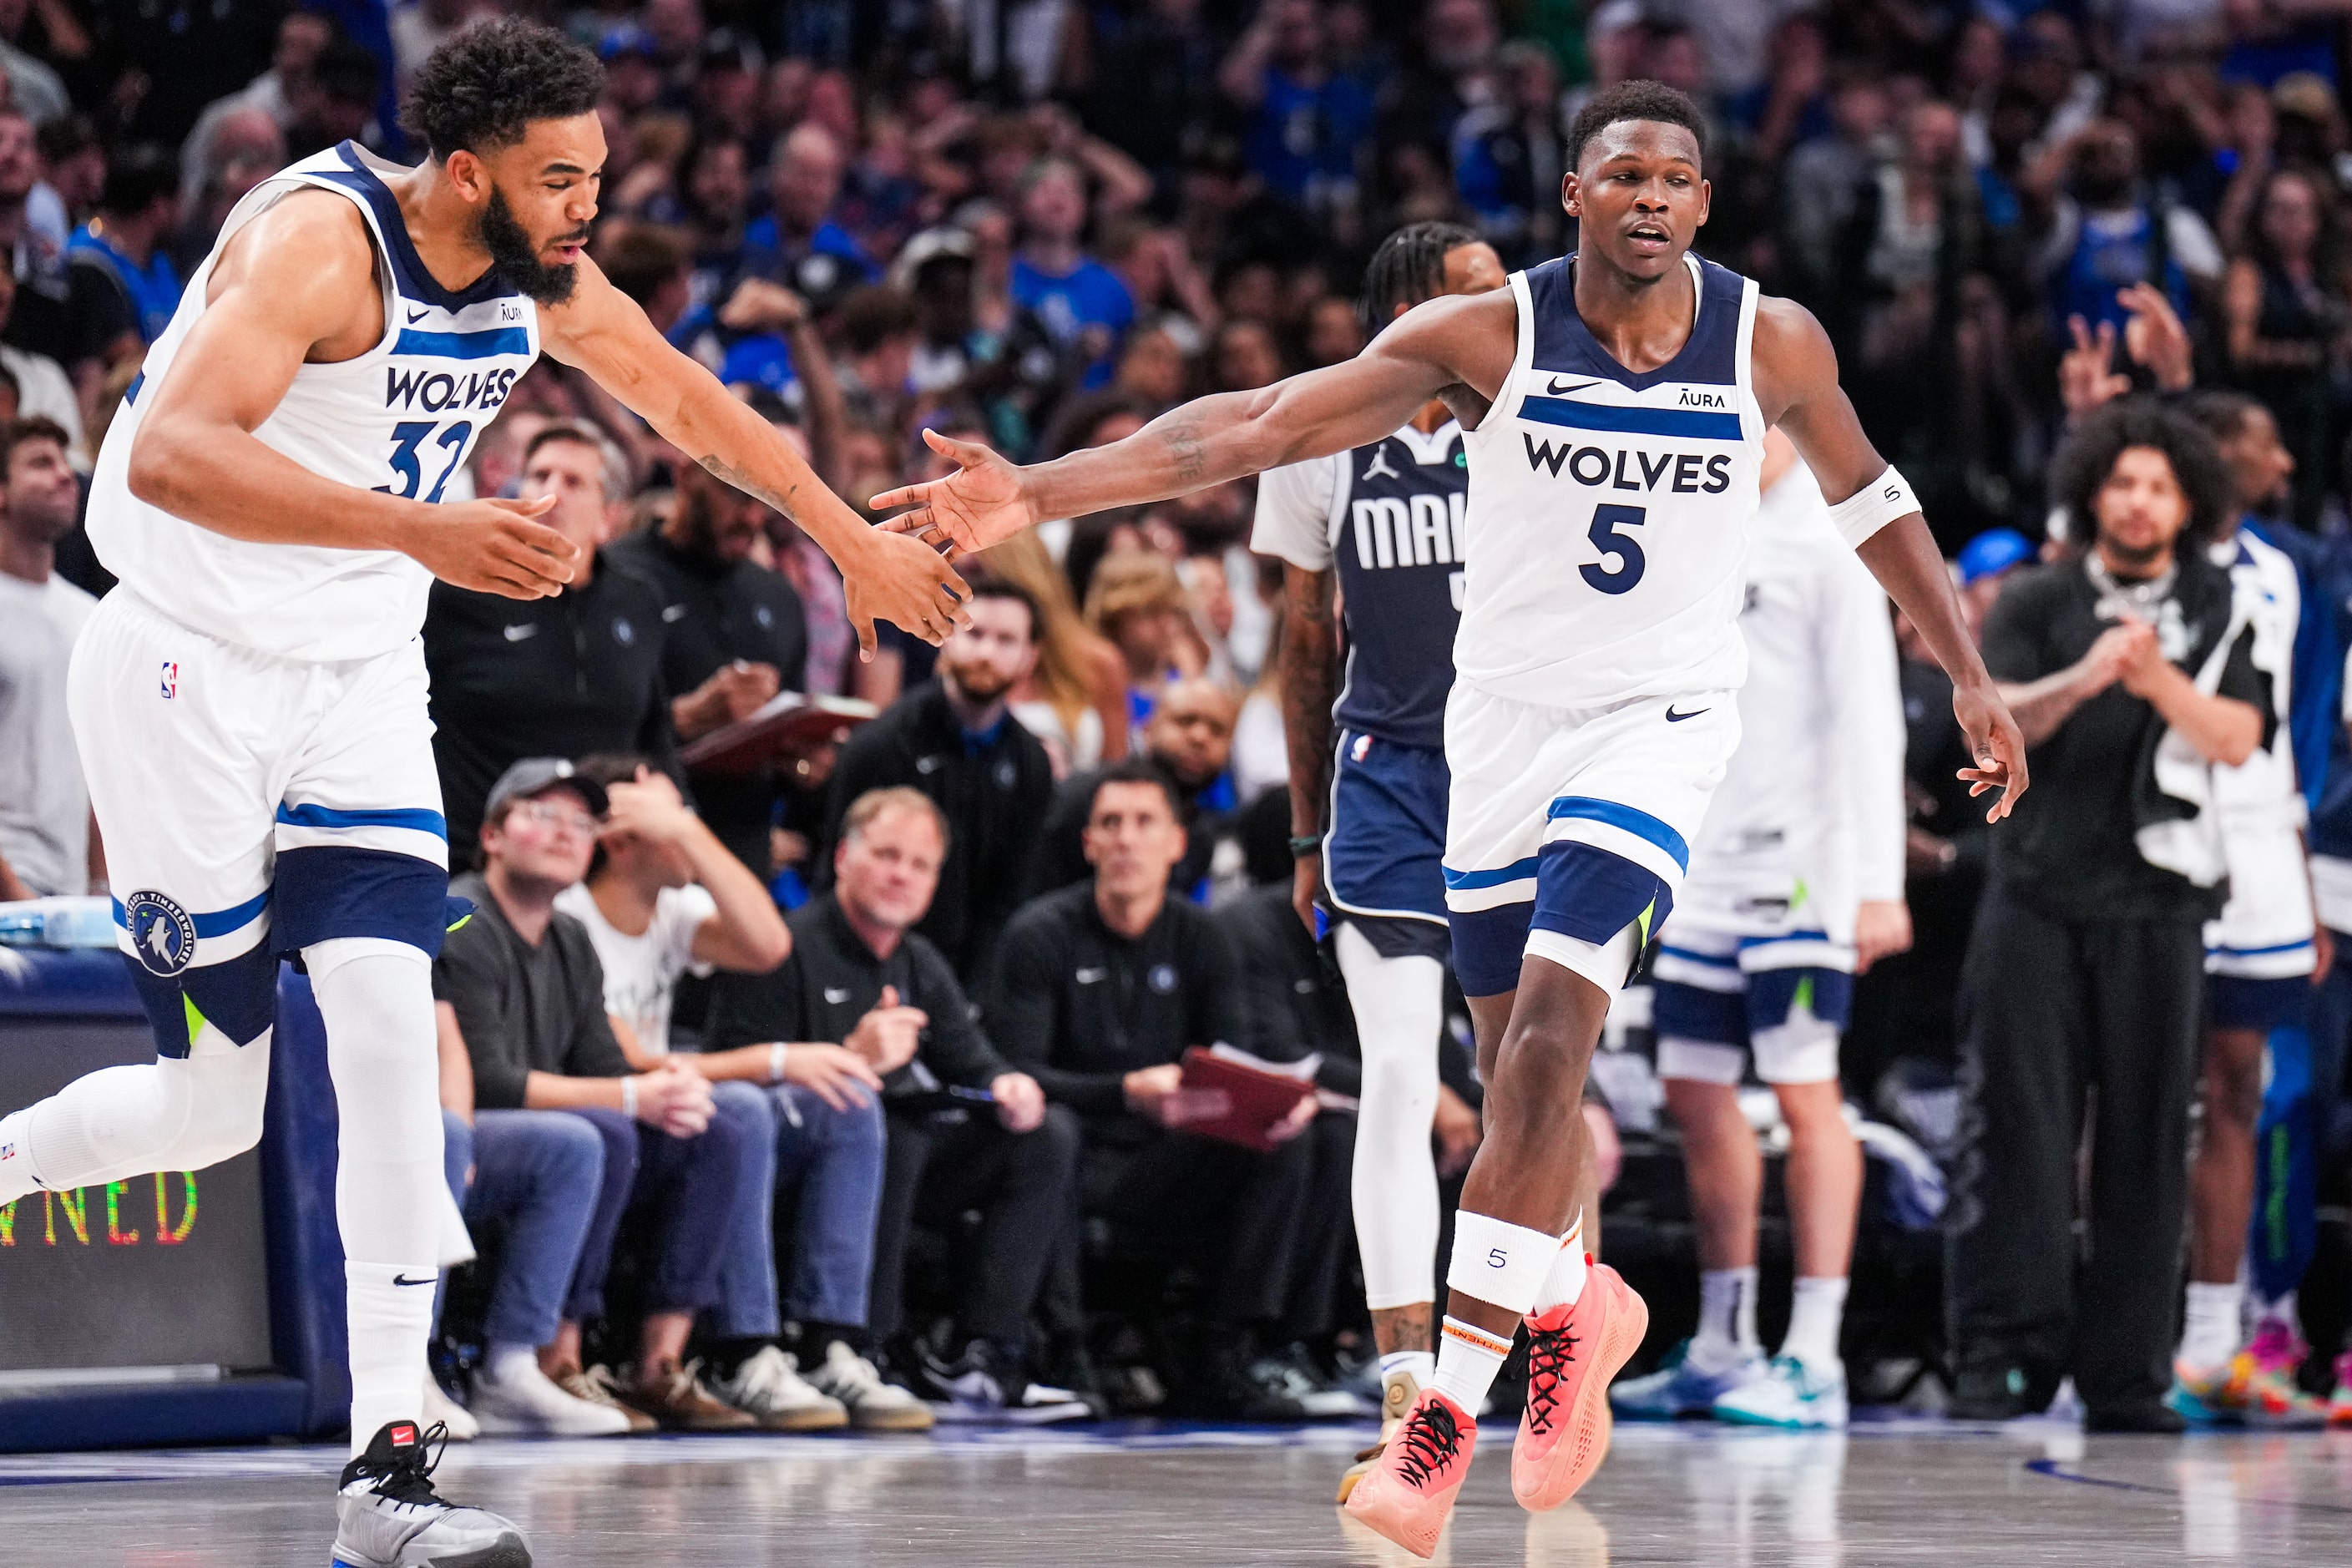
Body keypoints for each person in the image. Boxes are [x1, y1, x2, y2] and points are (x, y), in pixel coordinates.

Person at [874, 78, 2023, 1556]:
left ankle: (1437, 1424)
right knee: (1507, 1084)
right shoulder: (1486, 335)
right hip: (1495, 734)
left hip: (1658, 728)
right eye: (1622, 174)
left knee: (1548, 1047)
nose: (1651, 197)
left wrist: (1971, 678)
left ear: (1704, 203)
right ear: (1571, 196)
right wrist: (1032, 489)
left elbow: (1872, 499)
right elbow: (1254, 426)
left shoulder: (1768, 335)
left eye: (1676, 175)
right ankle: (1574, 1301)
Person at [0, 21, 964, 1565]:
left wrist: (850, 540)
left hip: (361, 679)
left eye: (595, 172)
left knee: (393, 1038)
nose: (585, 204)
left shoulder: (548, 277)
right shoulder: (324, 246)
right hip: (186, 668)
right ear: (468, 172)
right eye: (558, 177)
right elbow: (172, 456)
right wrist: (420, 529)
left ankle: (391, 1473)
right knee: (208, 1108)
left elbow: (695, 407)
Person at [1248, 219, 1505, 1500]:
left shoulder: (1535, 420)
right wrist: (1305, 827)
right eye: (1474, 292)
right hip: (1389, 786)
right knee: (1400, 1070)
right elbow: (1306, 641)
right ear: (1407, 311)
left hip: (1524, 772)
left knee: (1530, 1089)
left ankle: (1530, 1361)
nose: (1508, 306)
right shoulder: (1321, 434)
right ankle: (1411, 1393)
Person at [1951, 399, 2268, 1433]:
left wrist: (2156, 675)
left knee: (2145, 1138)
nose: (2138, 503)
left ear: (2189, 505)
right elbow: (1996, 724)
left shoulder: (2222, 602)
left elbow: (2234, 737)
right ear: (2094, 492)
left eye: (2160, 487)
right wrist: (2089, 675)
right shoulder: (2040, 596)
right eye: (2123, 483)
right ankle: (2004, 1352)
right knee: (2019, 1133)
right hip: (2034, 892)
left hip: (2159, 906)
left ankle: (2128, 1371)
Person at [1611, 427, 1907, 1431]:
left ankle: (1815, 1357)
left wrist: (1876, 882)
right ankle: (1725, 1342)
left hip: (1802, 868)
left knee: (1804, 1088)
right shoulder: (1690, 532)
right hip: (1702, 858)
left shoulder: (1830, 543)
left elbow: (1874, 715)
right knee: (1693, 1089)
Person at [555, 755, 927, 1432]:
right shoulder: (570, 915)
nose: (690, 829)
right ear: (619, 835)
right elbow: (628, 1061)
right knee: (744, 1108)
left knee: (844, 1100)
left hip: (669, 1111)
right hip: (603, 1109)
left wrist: (688, 834)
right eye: (672, 817)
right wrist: (777, 1058)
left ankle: (827, 1343)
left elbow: (769, 943)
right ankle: (742, 1350)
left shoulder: (669, 909)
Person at [710, 787, 1085, 1421]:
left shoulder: (916, 961)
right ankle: (853, 1345)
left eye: (919, 865)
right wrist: (849, 1055)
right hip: (786, 1159)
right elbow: (732, 1080)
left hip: (888, 1157)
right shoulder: (783, 945)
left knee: (1044, 1134)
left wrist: (1005, 1085)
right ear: (843, 859)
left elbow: (970, 1057)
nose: (900, 875)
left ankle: (981, 1351)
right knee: (894, 1130)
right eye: (886, 855)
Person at [986, 762, 1335, 1420]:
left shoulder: (1202, 937)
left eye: (1144, 823)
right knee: (1047, 1138)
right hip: (1077, 1151)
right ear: (1087, 843)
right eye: (1110, 824)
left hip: (1166, 1156)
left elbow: (1232, 1061)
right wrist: (1124, 1092)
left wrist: (1273, 1101)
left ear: (1177, 843)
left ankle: (1229, 1349)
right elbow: (1017, 1074)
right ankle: (1063, 1352)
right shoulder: (1038, 935)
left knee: (1291, 1140)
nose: (1126, 840)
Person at [434, 760, 772, 1437]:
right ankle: (517, 1362)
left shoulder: (570, 937)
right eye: (542, 814)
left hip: (540, 1131)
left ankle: (659, 1363)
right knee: (591, 1136)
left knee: (717, 1124)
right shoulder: (459, 917)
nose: (564, 833)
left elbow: (602, 1063)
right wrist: (630, 1094)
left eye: (581, 822)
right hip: (459, 1130)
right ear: (493, 836)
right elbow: (492, 1081)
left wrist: (663, 1089)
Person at [2170, 390, 2331, 1427]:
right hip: (2161, 855)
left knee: (2241, 1092)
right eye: (2263, 449)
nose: (2281, 466)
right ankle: (2130, 1321)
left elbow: (2291, 742)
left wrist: (2310, 891)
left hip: (2266, 866)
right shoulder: (2145, 558)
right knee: (2139, 1100)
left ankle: (2218, 1336)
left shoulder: (2287, 572)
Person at [424, 422, 681, 859]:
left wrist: (680, 814)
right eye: (539, 476)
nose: (551, 493)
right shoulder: (459, 590)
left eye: (574, 481)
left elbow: (655, 733)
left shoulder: (639, 600)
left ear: (609, 517)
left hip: (601, 858)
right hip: (476, 854)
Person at [814, 579, 1057, 983]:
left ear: (1029, 658)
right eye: (974, 634)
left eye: (1006, 641)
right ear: (942, 637)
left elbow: (1012, 895)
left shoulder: (1031, 764)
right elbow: (836, 876)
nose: (986, 653)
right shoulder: (881, 745)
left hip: (972, 976)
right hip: (869, 962)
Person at [606, 453, 818, 878]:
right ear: (685, 474)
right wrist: (685, 719)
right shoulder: (617, 577)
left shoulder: (777, 596)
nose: (752, 517)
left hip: (743, 847)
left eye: (765, 500)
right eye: (737, 494)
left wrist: (806, 759)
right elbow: (584, 730)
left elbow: (792, 737)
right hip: (636, 849)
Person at [1027, 676, 1239, 898]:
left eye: (1217, 730)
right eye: (1185, 721)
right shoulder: (1085, 799)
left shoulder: (1200, 839)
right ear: (1147, 730)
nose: (1200, 737)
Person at [0, 415, 94, 899]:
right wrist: (13, 892)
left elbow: (104, 765)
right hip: (13, 887)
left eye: (64, 461)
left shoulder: (92, 618)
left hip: (73, 903)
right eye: (41, 463)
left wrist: (103, 889)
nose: (65, 475)